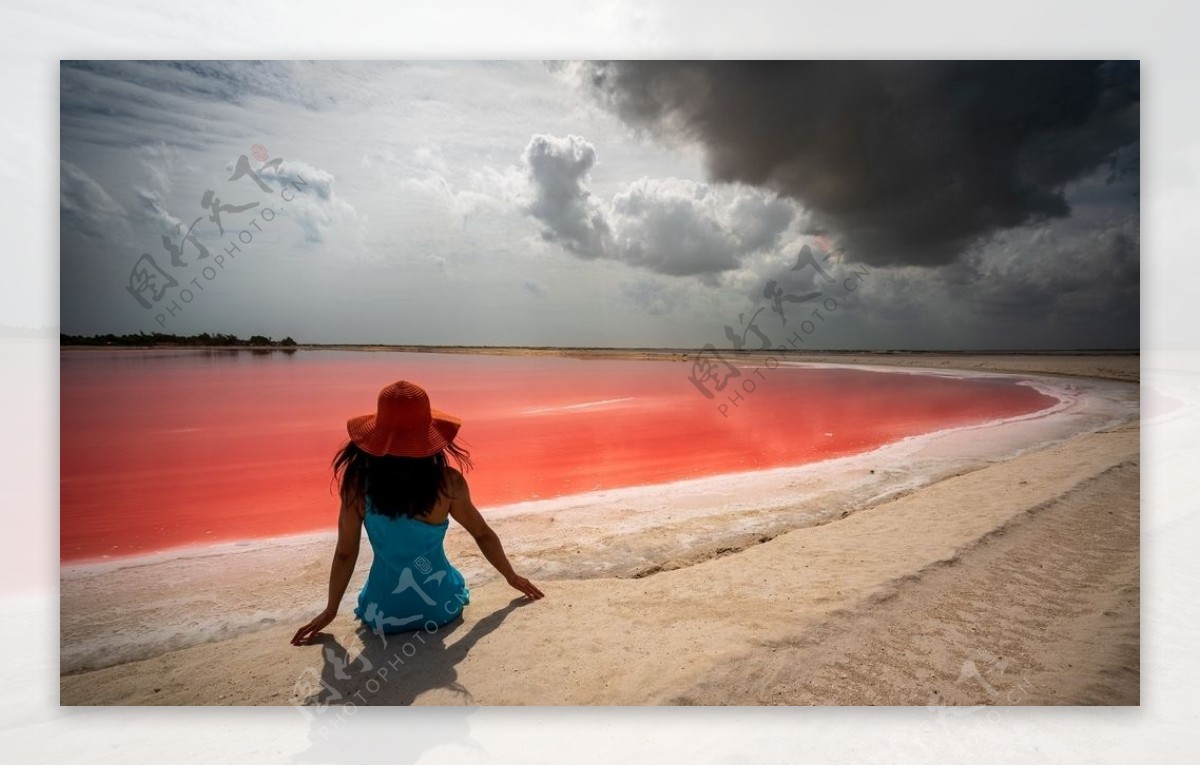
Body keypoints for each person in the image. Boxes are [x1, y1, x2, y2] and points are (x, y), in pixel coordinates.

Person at [292, 380, 543, 646]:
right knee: (449, 578)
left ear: (377, 434)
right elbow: (481, 534)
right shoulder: (449, 483)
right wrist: (511, 576)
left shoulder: (357, 486)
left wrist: (330, 610)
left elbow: (345, 553)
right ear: (428, 434)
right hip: (441, 607)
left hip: (383, 614)